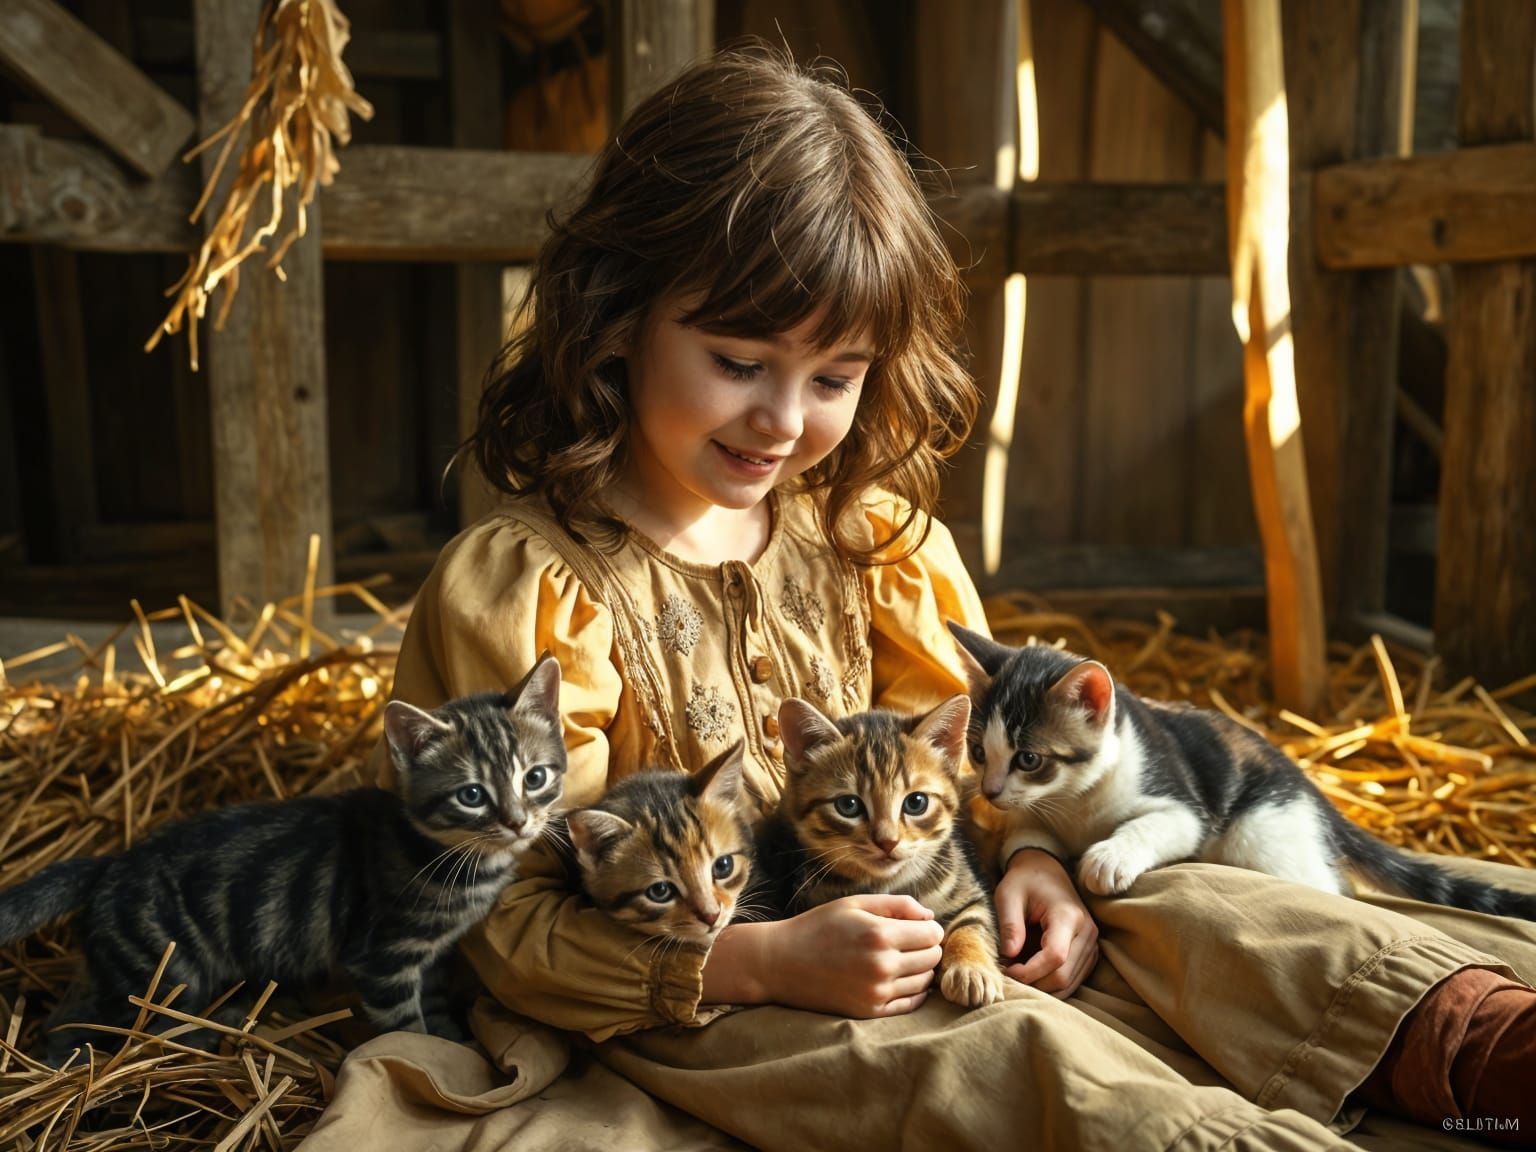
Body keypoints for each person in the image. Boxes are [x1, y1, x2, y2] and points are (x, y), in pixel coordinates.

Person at [301, 47, 1536, 1152]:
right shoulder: (526, 588)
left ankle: (1479, 1044)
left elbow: (970, 766)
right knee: (997, 1054)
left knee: (1209, 905)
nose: (785, 422)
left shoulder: (873, 540)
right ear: (617, 317)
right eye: (738, 363)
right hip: (706, 985)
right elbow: (500, 912)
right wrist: (766, 959)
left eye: (834, 377)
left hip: (934, 911)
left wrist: (1034, 862)